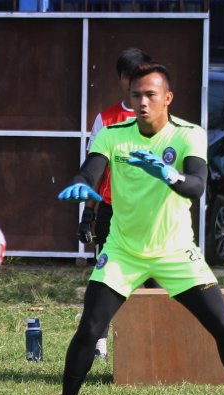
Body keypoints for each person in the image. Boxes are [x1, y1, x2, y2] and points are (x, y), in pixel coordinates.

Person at [50, 62, 224, 395]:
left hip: (176, 252)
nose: (142, 102)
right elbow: (92, 168)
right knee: (90, 327)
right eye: (136, 95)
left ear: (167, 98)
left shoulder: (188, 134)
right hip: (123, 251)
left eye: (150, 95)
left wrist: (168, 174)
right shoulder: (113, 135)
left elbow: (197, 186)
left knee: (222, 325)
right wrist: (84, 182)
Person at [79, 47, 154, 361]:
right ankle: (100, 344)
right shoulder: (106, 120)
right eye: (133, 75)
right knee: (107, 279)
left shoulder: (161, 119)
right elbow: (94, 172)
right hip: (112, 213)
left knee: (153, 281)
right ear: (123, 79)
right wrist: (87, 215)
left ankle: (152, 344)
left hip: (150, 215)